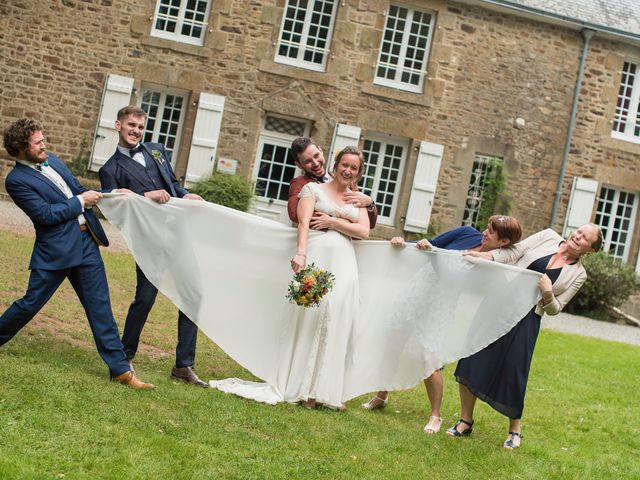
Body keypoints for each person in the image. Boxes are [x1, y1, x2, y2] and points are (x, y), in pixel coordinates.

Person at [211, 146, 370, 409]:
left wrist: (333, 222)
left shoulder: (359, 199)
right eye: (345, 164)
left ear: (358, 172)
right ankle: (301, 387)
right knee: (311, 316)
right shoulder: (313, 190)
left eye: (354, 167)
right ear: (336, 164)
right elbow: (304, 222)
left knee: (335, 319)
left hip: (345, 266)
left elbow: (363, 231)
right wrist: (301, 254)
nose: (348, 170)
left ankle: (323, 391)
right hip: (320, 260)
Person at [0, 118, 153, 389]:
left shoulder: (55, 160)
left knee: (100, 308)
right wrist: (80, 202)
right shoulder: (16, 180)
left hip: (86, 244)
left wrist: (112, 193)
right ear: (22, 148)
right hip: (56, 251)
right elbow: (45, 215)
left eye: (42, 138)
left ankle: (120, 371)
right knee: (30, 304)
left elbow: (81, 191)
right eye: (37, 142)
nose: (43, 144)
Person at [361, 216, 523, 434]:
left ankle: (435, 414)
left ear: (503, 242)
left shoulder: (490, 264)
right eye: (487, 227)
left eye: (491, 232)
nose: (485, 232)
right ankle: (382, 394)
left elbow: (453, 279)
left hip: (441, 306)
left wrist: (432, 253)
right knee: (394, 343)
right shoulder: (467, 233)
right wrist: (404, 245)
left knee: (430, 360)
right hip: (419, 290)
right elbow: (432, 244)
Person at [447, 223, 603, 449]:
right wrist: (489, 256)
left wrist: (548, 293)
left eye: (585, 238)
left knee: (514, 371)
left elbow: (556, 308)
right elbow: (515, 251)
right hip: (499, 303)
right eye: (579, 232)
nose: (577, 237)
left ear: (591, 250)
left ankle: (515, 430)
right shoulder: (548, 236)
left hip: (528, 320)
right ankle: (465, 420)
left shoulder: (579, 274)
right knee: (473, 356)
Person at [98, 106, 208, 387]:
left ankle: (184, 365)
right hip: (148, 241)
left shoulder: (157, 150)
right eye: (130, 125)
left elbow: (172, 183)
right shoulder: (110, 169)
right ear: (118, 125)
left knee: (192, 295)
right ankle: (125, 355)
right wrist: (145, 196)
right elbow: (114, 206)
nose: (136, 130)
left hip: (177, 234)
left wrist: (185, 194)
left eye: (140, 126)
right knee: (145, 299)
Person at [287, 137, 378, 229]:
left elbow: (370, 224)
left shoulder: (344, 178)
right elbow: (295, 215)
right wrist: (343, 222)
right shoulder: (298, 183)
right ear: (299, 165)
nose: (315, 163)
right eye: (308, 161)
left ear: (321, 150)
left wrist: (370, 204)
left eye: (316, 156)